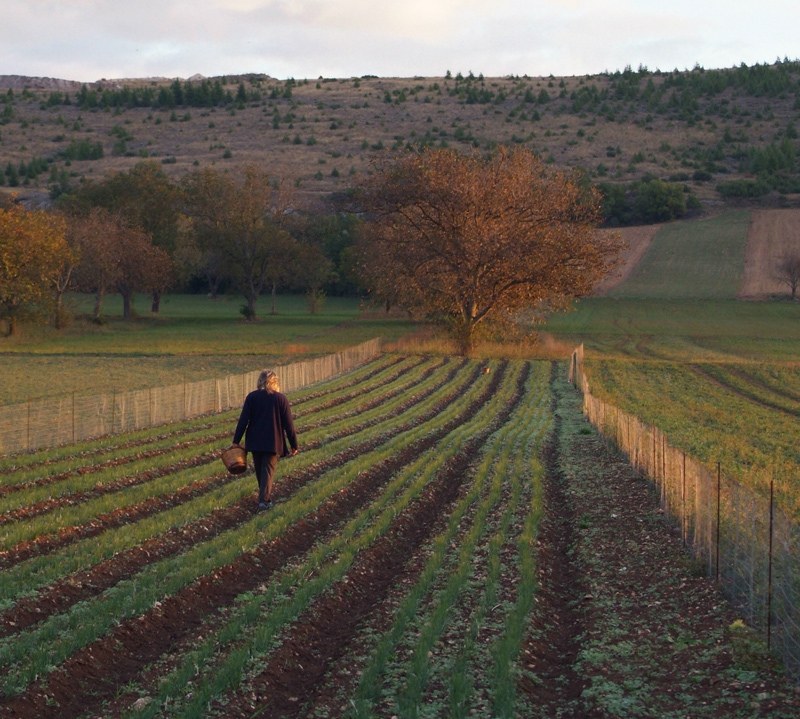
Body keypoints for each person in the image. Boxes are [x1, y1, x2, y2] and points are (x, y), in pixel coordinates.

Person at [232, 369, 298, 512]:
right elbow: (289, 425)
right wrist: (294, 445)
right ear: (275, 382)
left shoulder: (252, 397)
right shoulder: (281, 399)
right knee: (267, 472)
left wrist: (236, 441)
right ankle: (264, 502)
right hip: (272, 442)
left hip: (255, 442)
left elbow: (243, 421)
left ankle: (264, 498)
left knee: (261, 472)